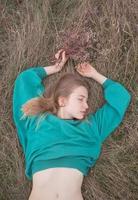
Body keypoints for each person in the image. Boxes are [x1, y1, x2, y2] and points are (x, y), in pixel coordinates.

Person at [12, 49, 131, 200]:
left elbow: (121, 97)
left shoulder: (91, 127)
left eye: (87, 100)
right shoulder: (37, 121)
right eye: (81, 99)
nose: (86, 106)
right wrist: (55, 68)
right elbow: (25, 80)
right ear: (62, 100)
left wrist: (95, 75)